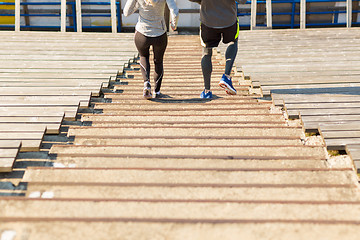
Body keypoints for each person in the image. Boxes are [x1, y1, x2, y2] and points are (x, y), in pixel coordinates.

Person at [124, 0, 179, 99]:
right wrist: (173, 25)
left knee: (143, 56)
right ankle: (157, 92)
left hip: (142, 34)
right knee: (158, 62)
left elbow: (126, 13)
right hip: (160, 34)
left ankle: (146, 83)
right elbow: (175, 10)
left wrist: (138, 5)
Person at [190, 0, 239, 99]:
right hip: (229, 20)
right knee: (233, 41)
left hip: (208, 21)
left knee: (206, 51)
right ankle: (226, 76)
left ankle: (207, 91)